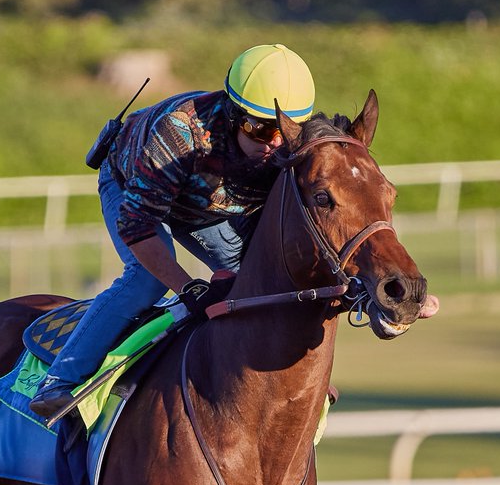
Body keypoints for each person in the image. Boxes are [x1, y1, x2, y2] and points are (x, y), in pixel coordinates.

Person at [28, 43, 315, 419]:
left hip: (209, 201)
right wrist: (187, 287)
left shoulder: (286, 146)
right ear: (233, 114)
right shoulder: (180, 132)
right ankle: (59, 380)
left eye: (287, 132)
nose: (275, 144)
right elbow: (137, 225)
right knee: (146, 282)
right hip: (131, 184)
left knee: (266, 276)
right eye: (260, 129)